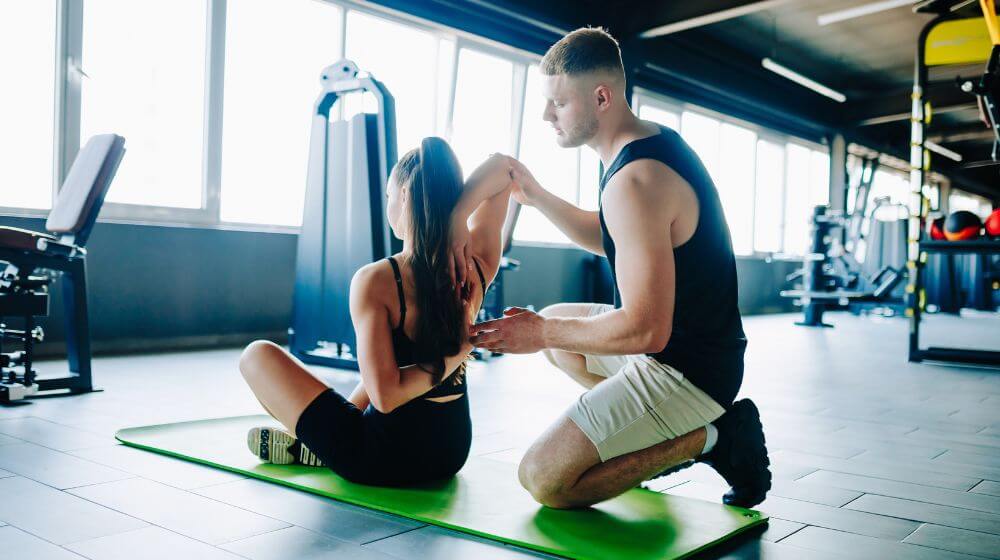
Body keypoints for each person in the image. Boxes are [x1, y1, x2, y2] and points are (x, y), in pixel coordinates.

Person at [452, 28, 771, 508]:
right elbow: (614, 238)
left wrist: (541, 333)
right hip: (694, 349)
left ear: (601, 97)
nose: (545, 115)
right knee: (562, 329)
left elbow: (647, 330)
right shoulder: (649, 146)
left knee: (545, 480)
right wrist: (535, 196)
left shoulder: (634, 183)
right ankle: (643, 438)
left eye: (558, 103)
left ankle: (713, 438)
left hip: (687, 372)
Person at [239, 137, 513, 485]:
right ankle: (320, 442)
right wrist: (459, 213)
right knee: (382, 367)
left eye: (388, 196)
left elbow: (385, 397)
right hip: (451, 452)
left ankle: (319, 448)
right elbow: (504, 167)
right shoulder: (473, 267)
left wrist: (456, 353)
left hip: (384, 459)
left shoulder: (377, 280)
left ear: (403, 196)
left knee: (255, 355)